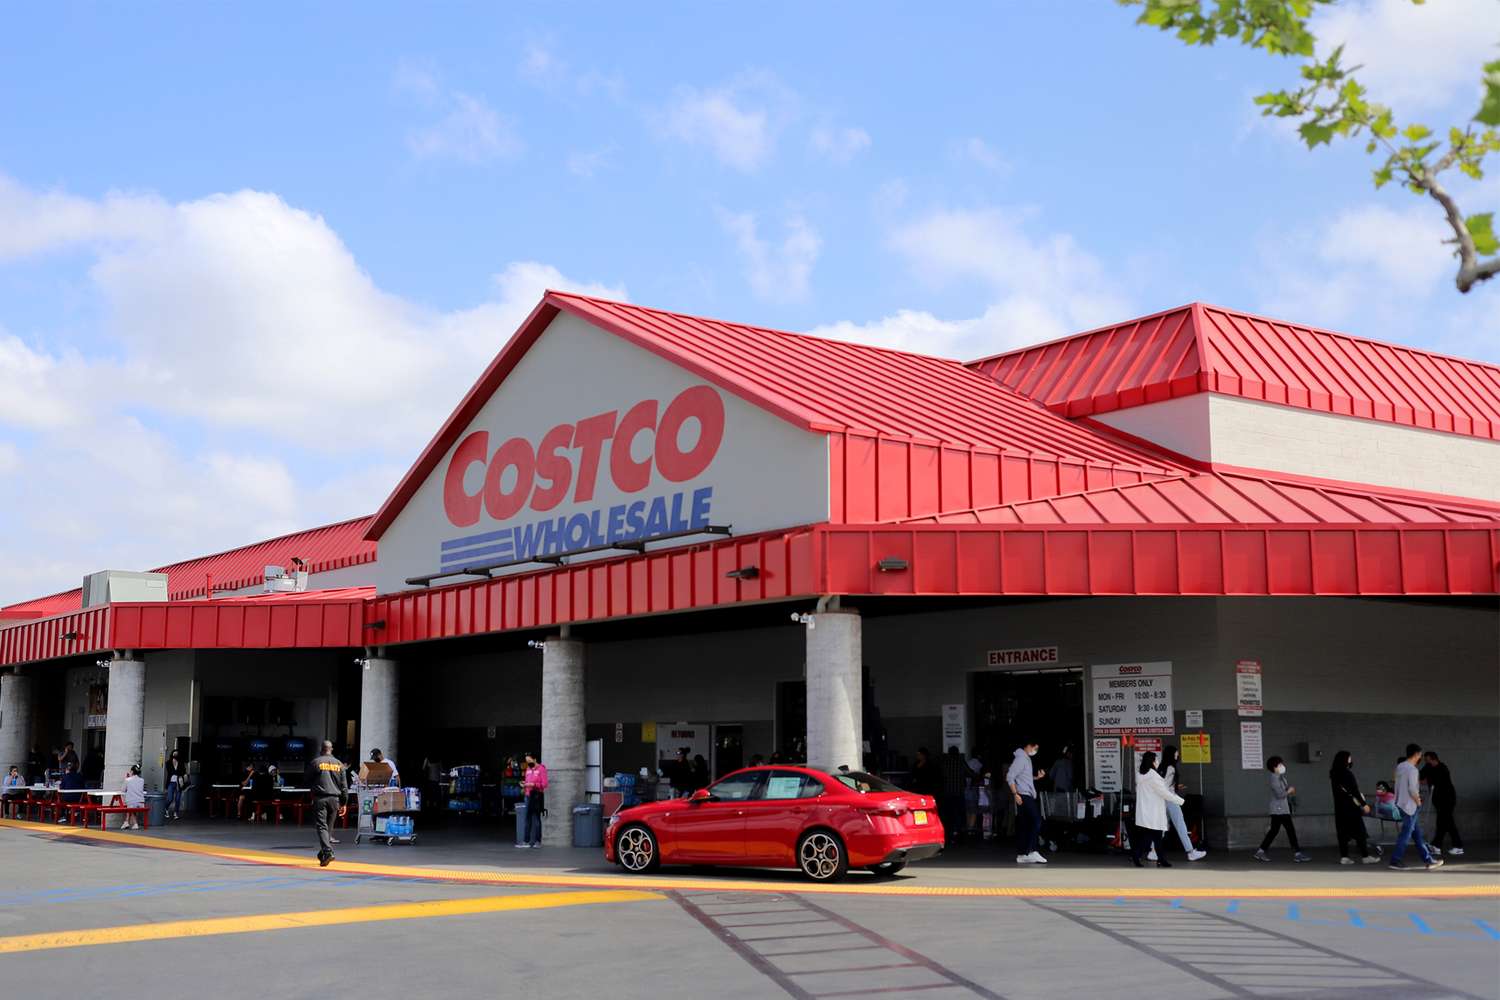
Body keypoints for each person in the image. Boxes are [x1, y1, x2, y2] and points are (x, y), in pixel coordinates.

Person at [1390, 743, 1444, 870]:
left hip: (1400, 803)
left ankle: (1428, 860)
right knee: (1406, 834)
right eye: (1420, 754)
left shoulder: (1400, 766)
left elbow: (1396, 784)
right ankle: (1395, 860)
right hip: (1410, 806)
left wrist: (1397, 800)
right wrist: (1418, 802)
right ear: (1416, 754)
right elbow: (1412, 790)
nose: (1420, 757)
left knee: (1416, 834)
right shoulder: (1413, 770)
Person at [1153, 746, 1207, 862]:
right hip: (1170, 800)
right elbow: (1165, 787)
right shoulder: (1171, 768)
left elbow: (1161, 785)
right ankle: (1190, 852)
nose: (1178, 755)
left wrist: (1175, 786)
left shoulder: (1161, 767)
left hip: (1161, 800)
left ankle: (1153, 852)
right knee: (1181, 825)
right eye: (1176, 753)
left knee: (1162, 827)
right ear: (1172, 754)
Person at [1131, 751, 1184, 868]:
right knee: (1150, 837)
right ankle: (1138, 856)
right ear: (1152, 762)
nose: (1158, 762)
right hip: (1154, 812)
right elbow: (1164, 793)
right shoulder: (1154, 777)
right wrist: (1180, 801)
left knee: (1155, 837)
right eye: (1156, 760)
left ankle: (1160, 859)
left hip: (1145, 812)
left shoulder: (1140, 775)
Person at [1254, 756, 1311, 862]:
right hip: (1279, 809)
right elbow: (1280, 795)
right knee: (1290, 830)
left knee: (1274, 831)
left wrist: (1289, 790)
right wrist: (1289, 791)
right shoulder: (1274, 778)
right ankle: (1297, 853)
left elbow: (1284, 791)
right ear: (1274, 767)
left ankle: (1261, 851)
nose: (1282, 766)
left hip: (1281, 809)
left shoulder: (1280, 777)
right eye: (1279, 764)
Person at [1329, 750, 1380, 864]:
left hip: (1339, 807)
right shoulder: (1347, 773)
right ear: (1345, 759)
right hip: (1351, 807)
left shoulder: (1333, 773)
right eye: (1349, 757)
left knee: (1342, 832)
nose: (1350, 759)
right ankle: (1365, 856)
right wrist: (1364, 804)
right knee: (1360, 831)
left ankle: (1344, 857)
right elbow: (1355, 791)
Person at [1006, 741, 1047, 864]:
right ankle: (1032, 851)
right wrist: (1015, 794)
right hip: (1023, 795)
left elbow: (1023, 777)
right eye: (1036, 748)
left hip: (1024, 794)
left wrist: (1037, 778)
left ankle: (1022, 854)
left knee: (1025, 824)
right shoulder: (1021, 759)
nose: (1036, 751)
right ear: (1029, 745)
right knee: (1036, 820)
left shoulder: (1026, 759)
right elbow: (1010, 776)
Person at [310, 741, 348, 867]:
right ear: (331, 749)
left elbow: (307, 780)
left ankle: (327, 851)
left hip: (320, 798)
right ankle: (323, 853)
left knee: (322, 826)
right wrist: (344, 803)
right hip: (335, 800)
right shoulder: (340, 764)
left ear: (322, 749)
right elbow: (344, 787)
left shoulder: (316, 762)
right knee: (329, 827)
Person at [1420, 751, 1464, 857]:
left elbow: (1425, 780)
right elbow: (1421, 779)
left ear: (1433, 759)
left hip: (1447, 798)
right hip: (1438, 799)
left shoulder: (1442, 768)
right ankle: (1437, 846)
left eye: (1427, 760)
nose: (1426, 762)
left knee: (1446, 821)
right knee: (1443, 822)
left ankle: (1456, 846)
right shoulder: (1428, 767)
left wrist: (1425, 779)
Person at [939, 746, 968, 844]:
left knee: (949, 815)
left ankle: (949, 834)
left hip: (947, 793)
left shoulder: (944, 763)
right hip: (959, 792)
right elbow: (970, 773)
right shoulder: (961, 762)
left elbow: (941, 776)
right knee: (959, 814)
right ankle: (959, 834)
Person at [520, 752, 548, 848]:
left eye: (529, 760)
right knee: (527, 818)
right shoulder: (528, 769)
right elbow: (527, 781)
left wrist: (533, 785)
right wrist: (524, 784)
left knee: (536, 818)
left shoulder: (541, 769)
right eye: (526, 761)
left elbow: (544, 784)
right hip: (528, 796)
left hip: (536, 796)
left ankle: (537, 842)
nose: (528, 762)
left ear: (535, 759)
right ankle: (526, 841)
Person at [121, 764, 146, 830]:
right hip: (141, 802)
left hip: (131, 802)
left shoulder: (128, 780)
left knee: (130, 806)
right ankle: (126, 822)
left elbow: (123, 790)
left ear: (132, 771)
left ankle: (135, 824)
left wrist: (126, 778)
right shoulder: (142, 780)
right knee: (131, 806)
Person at [163, 749, 186, 820]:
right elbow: (170, 771)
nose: (175, 755)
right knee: (170, 798)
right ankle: (166, 809)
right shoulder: (168, 762)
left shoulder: (181, 763)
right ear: (172, 754)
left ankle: (176, 813)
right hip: (171, 783)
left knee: (178, 799)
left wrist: (178, 772)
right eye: (174, 754)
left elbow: (183, 771)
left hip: (178, 783)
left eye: (177, 754)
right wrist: (177, 770)